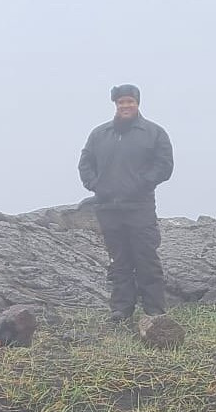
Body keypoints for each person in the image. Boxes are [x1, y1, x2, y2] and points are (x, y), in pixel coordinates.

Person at [78, 84, 174, 321]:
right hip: (108, 208)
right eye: (121, 102)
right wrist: (96, 185)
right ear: (115, 104)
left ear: (138, 103)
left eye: (130, 101)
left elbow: (164, 165)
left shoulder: (154, 133)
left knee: (146, 259)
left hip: (140, 207)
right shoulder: (99, 134)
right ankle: (121, 310)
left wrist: (142, 183)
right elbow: (85, 163)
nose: (126, 106)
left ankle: (155, 311)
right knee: (118, 262)